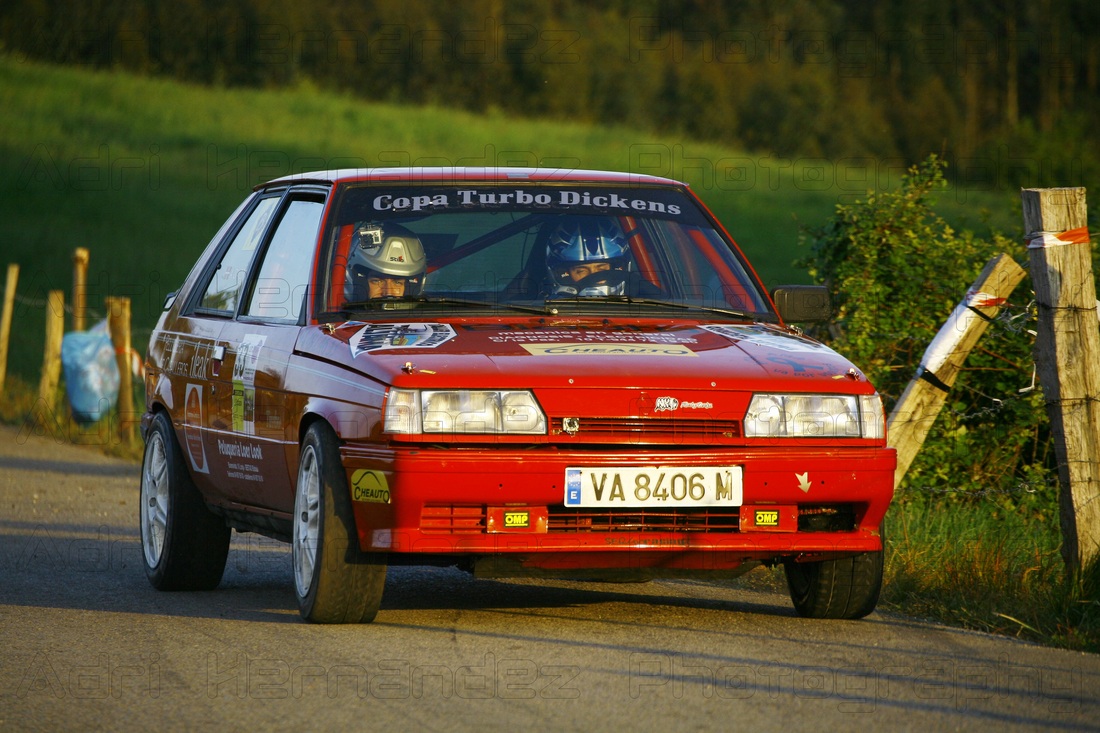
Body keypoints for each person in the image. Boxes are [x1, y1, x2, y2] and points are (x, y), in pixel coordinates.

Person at [545, 217, 630, 297]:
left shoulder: (640, 307)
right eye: (581, 271)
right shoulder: (537, 308)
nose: (593, 277)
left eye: (602, 270)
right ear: (564, 274)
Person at [344, 223, 427, 301]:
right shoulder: (334, 314)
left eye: (397, 282)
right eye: (377, 281)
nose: (388, 293)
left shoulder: (431, 315)